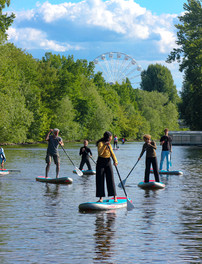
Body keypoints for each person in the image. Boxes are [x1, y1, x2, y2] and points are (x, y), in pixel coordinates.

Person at [96, 131, 118, 203]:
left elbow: (112, 153)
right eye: (111, 137)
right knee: (100, 179)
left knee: (110, 179)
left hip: (108, 162)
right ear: (108, 137)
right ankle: (101, 198)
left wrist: (115, 161)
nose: (111, 138)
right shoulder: (101, 143)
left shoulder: (110, 145)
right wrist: (105, 145)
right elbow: (100, 153)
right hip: (100, 161)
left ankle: (114, 196)